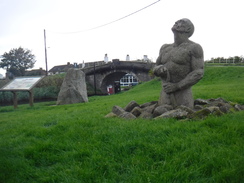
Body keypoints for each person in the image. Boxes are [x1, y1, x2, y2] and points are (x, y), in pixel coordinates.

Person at [153, 18, 204, 108]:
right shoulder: (165, 48)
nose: (176, 22)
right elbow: (155, 67)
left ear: (188, 29)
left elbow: (198, 72)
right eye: (177, 21)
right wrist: (158, 69)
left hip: (183, 94)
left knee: (183, 115)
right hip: (165, 92)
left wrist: (177, 86)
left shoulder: (194, 47)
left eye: (181, 22)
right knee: (161, 113)